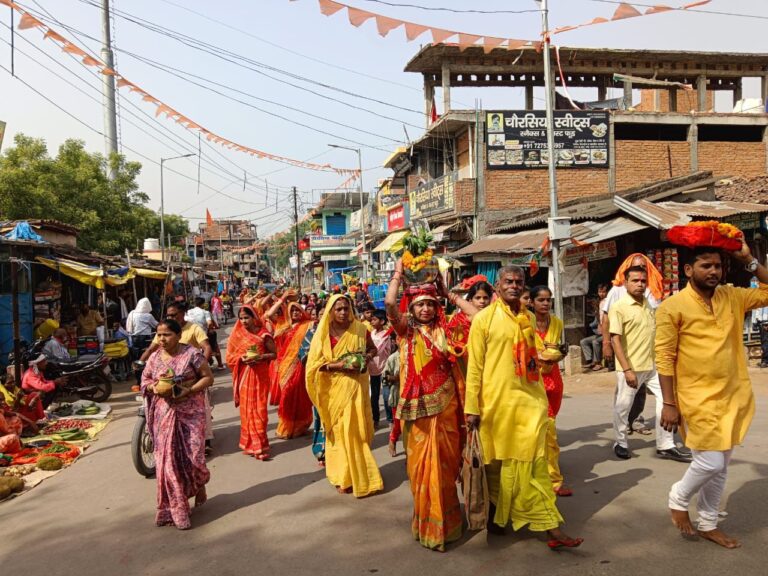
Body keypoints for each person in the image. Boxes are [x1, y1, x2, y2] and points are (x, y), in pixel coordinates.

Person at [657, 244, 768, 549]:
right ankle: (678, 497)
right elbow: (664, 357)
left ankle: (708, 523)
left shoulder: (732, 296)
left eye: (718, 266)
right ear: (688, 270)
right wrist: (669, 403)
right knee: (711, 463)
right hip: (695, 398)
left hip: (733, 395)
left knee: (721, 465)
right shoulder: (673, 306)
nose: (714, 271)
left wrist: (748, 260)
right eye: (706, 265)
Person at [465, 266, 582, 549]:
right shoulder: (483, 319)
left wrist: (550, 357)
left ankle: (550, 527)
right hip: (496, 403)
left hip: (529, 400)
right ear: (498, 284)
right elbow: (475, 367)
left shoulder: (527, 318)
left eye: (519, 282)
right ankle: (497, 518)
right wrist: (472, 408)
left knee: (534, 465)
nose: (514, 286)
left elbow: (534, 361)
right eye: (509, 281)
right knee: (496, 466)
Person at [385, 262, 468, 552]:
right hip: (416, 411)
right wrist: (397, 272)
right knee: (420, 470)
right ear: (412, 308)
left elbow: (481, 318)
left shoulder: (448, 329)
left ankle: (449, 522)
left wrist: (451, 294)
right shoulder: (406, 332)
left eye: (430, 304)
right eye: (420, 305)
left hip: (447, 407)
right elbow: (389, 303)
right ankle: (426, 523)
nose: (425, 310)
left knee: (446, 470)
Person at [608, 266, 689, 462]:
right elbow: (615, 339)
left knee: (667, 401)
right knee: (623, 406)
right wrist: (627, 369)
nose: (640, 284)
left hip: (653, 365)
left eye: (643, 281)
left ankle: (665, 445)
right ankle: (620, 442)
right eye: (635, 280)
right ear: (625, 283)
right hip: (631, 367)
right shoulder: (619, 307)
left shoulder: (648, 305)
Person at [305, 294, 383, 498]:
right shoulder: (322, 333)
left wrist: (364, 358)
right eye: (338, 309)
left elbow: (372, 349)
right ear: (330, 311)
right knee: (339, 433)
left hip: (357, 387)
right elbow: (313, 364)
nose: (342, 312)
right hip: (334, 389)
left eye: (346, 308)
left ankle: (363, 476)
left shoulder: (360, 329)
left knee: (356, 432)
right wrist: (338, 365)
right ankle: (343, 476)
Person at [141, 319, 214, 529]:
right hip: (164, 414)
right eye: (159, 335)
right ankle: (176, 510)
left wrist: (189, 390)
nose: (162, 339)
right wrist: (155, 387)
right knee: (168, 462)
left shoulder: (192, 354)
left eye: (167, 335)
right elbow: (145, 381)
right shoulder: (154, 358)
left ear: (178, 335)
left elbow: (208, 378)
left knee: (194, 457)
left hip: (191, 411)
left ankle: (199, 485)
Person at [530, 285, 572, 497]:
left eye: (548, 300)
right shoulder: (524, 323)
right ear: (531, 302)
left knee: (549, 430)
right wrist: (543, 353)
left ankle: (546, 474)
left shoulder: (556, 323)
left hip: (553, 381)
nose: (545, 304)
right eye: (541, 300)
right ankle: (553, 480)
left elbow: (554, 351)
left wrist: (556, 353)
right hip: (533, 383)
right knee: (548, 433)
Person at [226, 306, 276, 460]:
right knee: (247, 411)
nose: (244, 321)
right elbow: (230, 357)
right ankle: (251, 445)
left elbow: (275, 354)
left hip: (260, 376)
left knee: (259, 410)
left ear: (254, 317)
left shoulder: (264, 335)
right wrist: (242, 359)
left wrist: (260, 357)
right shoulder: (239, 334)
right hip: (245, 375)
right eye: (241, 318)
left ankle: (260, 446)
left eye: (246, 318)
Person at [273, 302, 315, 439]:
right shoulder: (284, 326)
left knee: (301, 396)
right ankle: (285, 427)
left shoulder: (309, 325)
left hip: (302, 364)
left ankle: (299, 426)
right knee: (286, 396)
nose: (295, 313)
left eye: (298, 310)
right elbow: (268, 315)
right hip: (285, 366)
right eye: (292, 311)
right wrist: (281, 299)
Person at [446, 276, 493, 374]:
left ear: (490, 300)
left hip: (487, 363)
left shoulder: (494, 317)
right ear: (470, 300)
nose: (482, 301)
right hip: (463, 363)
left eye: (485, 298)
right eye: (478, 298)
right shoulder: (460, 318)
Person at [367, 309, 393, 428]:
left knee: (387, 396)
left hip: (384, 369)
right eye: (371, 319)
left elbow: (378, 349)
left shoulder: (386, 335)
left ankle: (390, 420)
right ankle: (375, 419)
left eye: (374, 319)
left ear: (382, 321)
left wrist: (367, 354)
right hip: (372, 369)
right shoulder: (371, 334)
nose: (371, 321)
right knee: (374, 396)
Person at [580, 283, 609, 371]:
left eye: (604, 292)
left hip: (608, 332)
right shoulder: (600, 302)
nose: (602, 294)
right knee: (584, 341)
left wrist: (603, 327)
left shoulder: (609, 302)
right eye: (600, 292)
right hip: (601, 331)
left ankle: (598, 363)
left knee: (595, 342)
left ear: (607, 292)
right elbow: (598, 318)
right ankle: (590, 361)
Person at [381, 339, 401, 457]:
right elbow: (385, 377)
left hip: (414, 395)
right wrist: (395, 378)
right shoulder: (393, 358)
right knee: (398, 424)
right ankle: (393, 440)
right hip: (398, 395)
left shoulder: (414, 354)